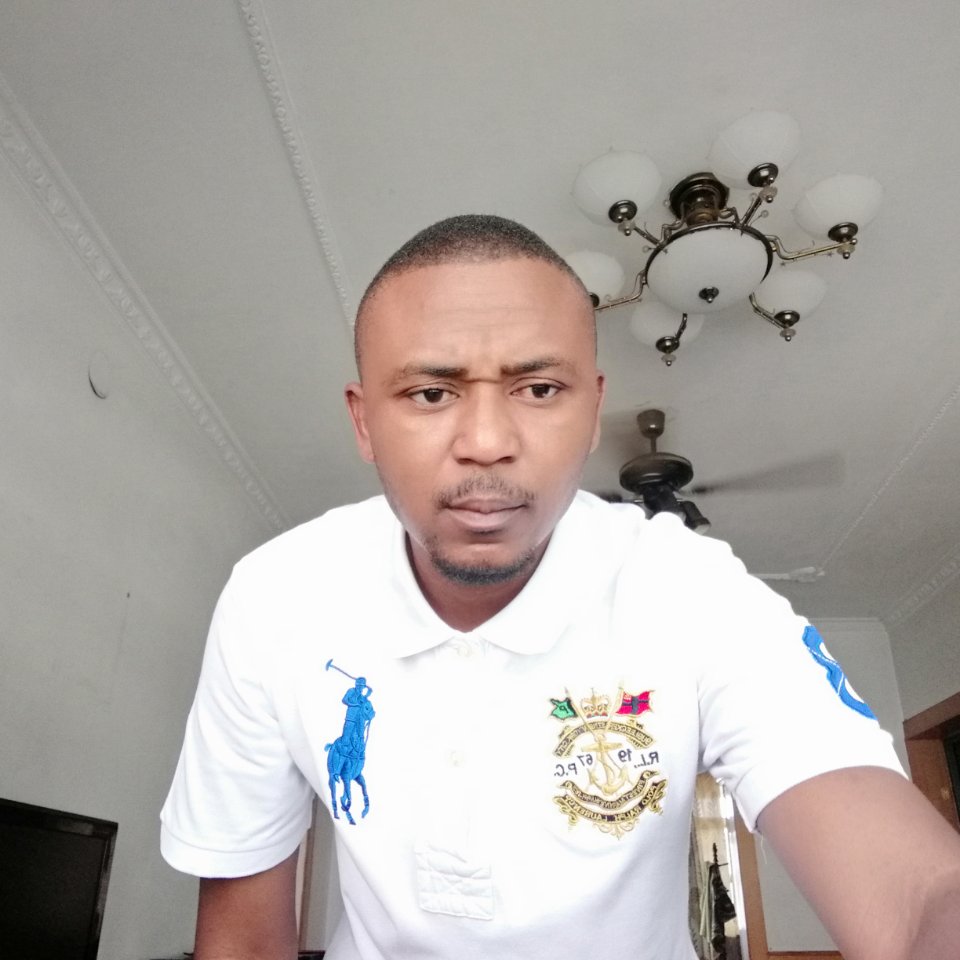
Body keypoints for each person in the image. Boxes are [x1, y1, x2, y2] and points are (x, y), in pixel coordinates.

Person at [161, 214, 960, 960]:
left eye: (539, 389)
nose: (486, 443)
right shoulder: (273, 600)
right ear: (365, 420)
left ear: (592, 410)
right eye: (431, 393)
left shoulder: (691, 588)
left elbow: (917, 890)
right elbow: (241, 930)